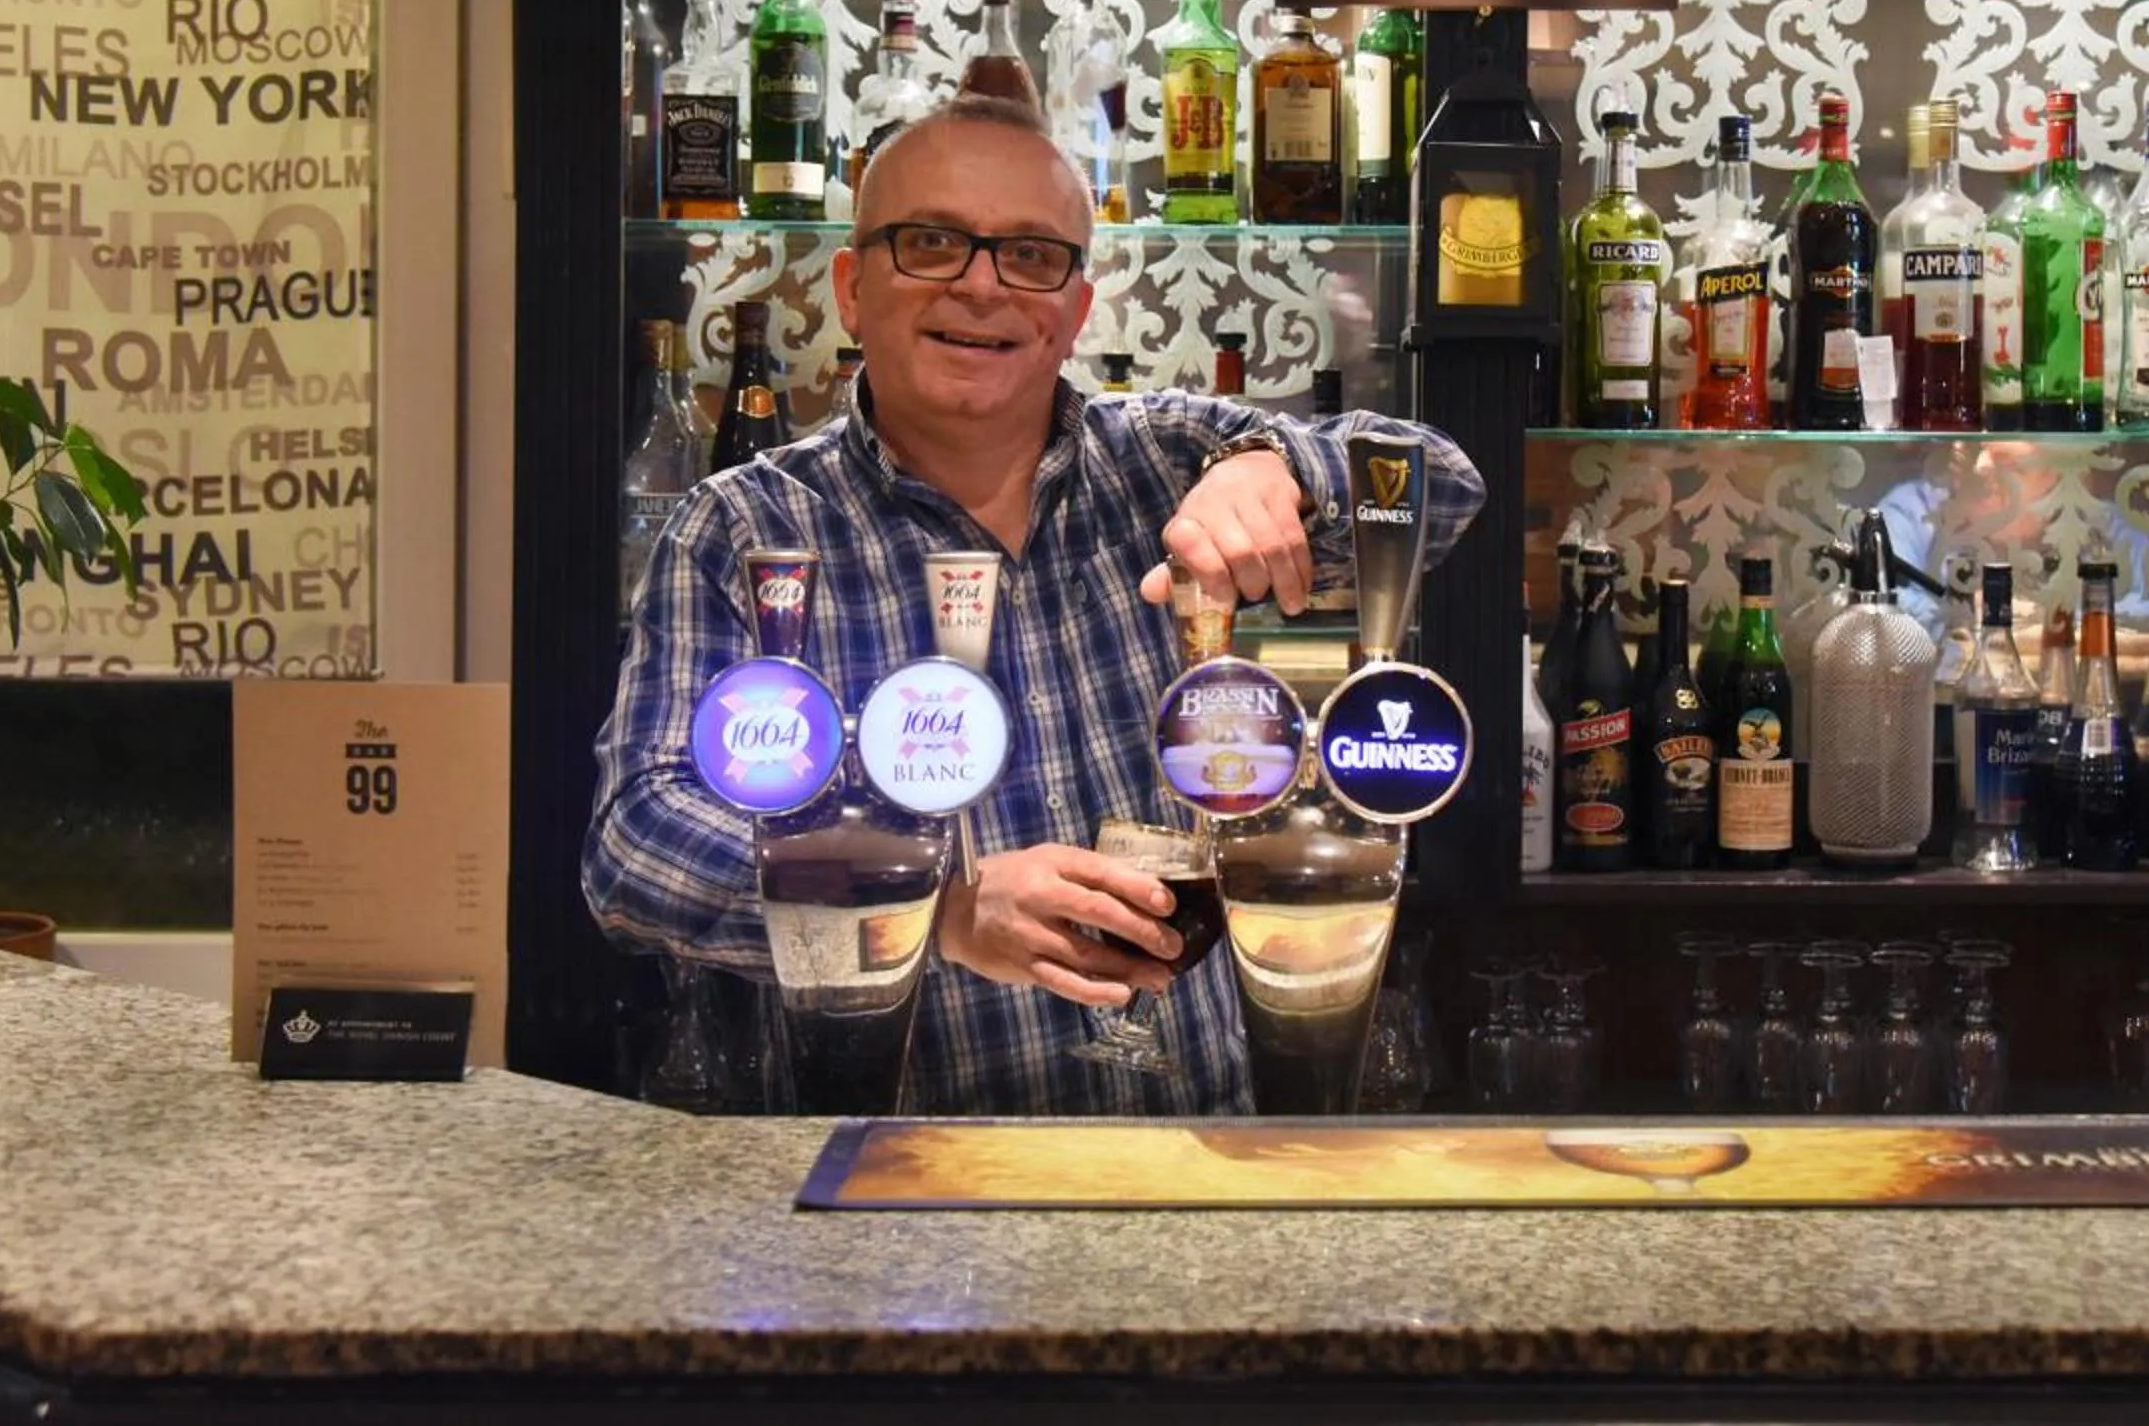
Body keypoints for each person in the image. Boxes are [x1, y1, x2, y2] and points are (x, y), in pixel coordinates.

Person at [587, 94, 1483, 1114]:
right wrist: (938, 907)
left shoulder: (1166, 459)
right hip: (898, 1178)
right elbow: (637, 844)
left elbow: (1445, 481)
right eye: (931, 243)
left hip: (1195, 1157)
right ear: (850, 287)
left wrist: (1285, 469)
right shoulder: (744, 531)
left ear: (1076, 309)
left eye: (1031, 254)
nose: (981, 285)